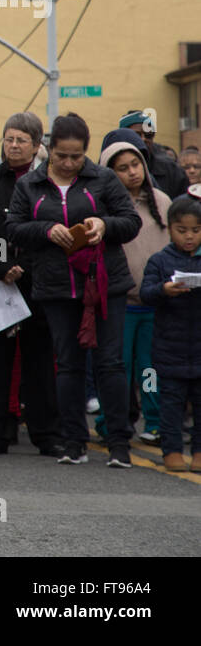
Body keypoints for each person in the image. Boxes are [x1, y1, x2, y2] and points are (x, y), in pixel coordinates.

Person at [6, 112, 142, 467]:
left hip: (104, 284)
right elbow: (14, 228)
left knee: (110, 363)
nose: (68, 163)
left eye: (77, 156)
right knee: (67, 365)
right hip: (56, 286)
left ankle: (118, 444)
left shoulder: (104, 179)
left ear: (86, 152)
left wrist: (103, 224)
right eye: (61, 156)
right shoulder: (30, 185)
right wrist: (47, 230)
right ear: (50, 150)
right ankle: (73, 442)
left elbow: (131, 222)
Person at [0, 112, 60, 456]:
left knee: (39, 359)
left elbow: (51, 232)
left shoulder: (46, 183)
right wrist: (2, 267)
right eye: (9, 139)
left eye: (21, 140)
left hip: (38, 284)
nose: (13, 146)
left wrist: (25, 266)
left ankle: (45, 432)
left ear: (37, 145)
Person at [96, 135, 172, 446]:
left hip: (157, 303)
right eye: (122, 168)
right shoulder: (105, 205)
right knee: (117, 368)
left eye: (135, 164)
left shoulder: (163, 201)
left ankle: (153, 422)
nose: (132, 172)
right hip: (119, 304)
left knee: (150, 371)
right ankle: (109, 422)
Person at [139, 195, 201, 472]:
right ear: (170, 228)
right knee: (171, 402)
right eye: (182, 230)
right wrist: (164, 289)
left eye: (196, 230)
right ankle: (172, 450)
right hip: (169, 347)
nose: (189, 237)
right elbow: (146, 293)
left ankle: (198, 452)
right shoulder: (160, 260)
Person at [120, 111, 188, 197]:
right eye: (136, 135)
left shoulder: (171, 170)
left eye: (148, 135)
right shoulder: (110, 168)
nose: (143, 139)